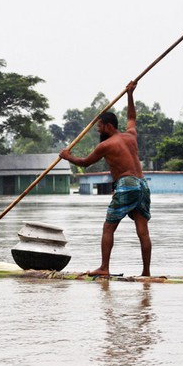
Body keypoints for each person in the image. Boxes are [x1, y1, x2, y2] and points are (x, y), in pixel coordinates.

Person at [59, 81, 152, 276]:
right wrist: (130, 95)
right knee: (143, 231)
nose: (98, 130)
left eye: (100, 127)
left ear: (108, 126)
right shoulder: (131, 136)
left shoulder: (106, 145)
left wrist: (68, 157)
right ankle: (146, 272)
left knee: (108, 227)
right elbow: (132, 117)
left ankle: (104, 268)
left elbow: (84, 163)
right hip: (143, 184)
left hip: (127, 184)